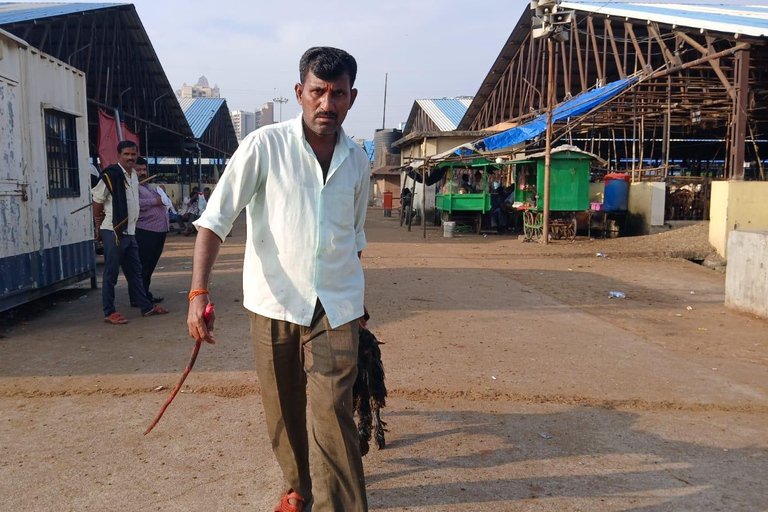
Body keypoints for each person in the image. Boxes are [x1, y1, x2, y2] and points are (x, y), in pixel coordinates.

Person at [188, 47, 369, 512]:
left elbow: (354, 236)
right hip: (273, 302)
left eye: (338, 94)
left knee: (333, 412)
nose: (327, 104)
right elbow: (214, 221)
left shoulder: (358, 160)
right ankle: (299, 487)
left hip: (336, 305)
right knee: (284, 412)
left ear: (352, 97)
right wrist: (197, 293)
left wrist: (358, 304)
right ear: (299, 93)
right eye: (317, 92)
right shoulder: (263, 146)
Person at [91, 141, 168, 324]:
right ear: (119, 155)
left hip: (130, 232)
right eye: (126, 154)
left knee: (135, 271)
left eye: (133, 154)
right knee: (111, 274)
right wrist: (98, 222)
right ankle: (109, 312)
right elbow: (97, 200)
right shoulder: (110, 175)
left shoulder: (133, 176)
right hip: (114, 231)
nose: (130, 158)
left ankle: (146, 306)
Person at [130, 157, 168, 306]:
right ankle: (137, 298)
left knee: (150, 265)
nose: (142, 173)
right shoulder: (131, 187)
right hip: (145, 231)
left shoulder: (146, 187)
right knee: (143, 266)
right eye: (138, 170)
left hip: (158, 231)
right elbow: (134, 204)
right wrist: (156, 201)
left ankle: (144, 294)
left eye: (144, 169)